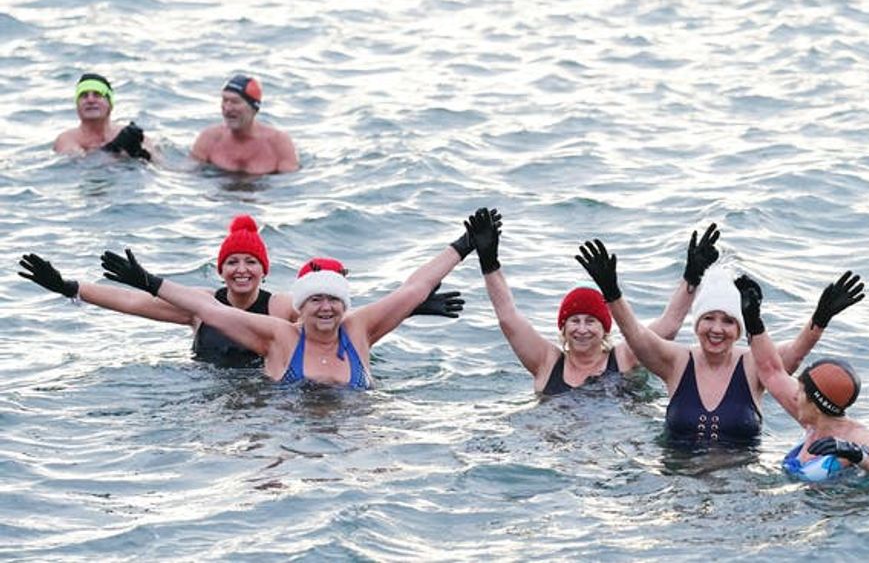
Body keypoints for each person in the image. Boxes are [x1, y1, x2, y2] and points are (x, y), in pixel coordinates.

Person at [97, 211, 493, 386]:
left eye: (334, 300)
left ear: (345, 305)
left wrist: (464, 246)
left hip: (351, 442)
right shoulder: (279, 336)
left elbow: (413, 288)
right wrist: (149, 280)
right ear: (298, 307)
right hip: (286, 431)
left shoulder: (358, 331)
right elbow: (206, 308)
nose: (325, 307)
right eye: (315, 299)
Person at [17, 215, 463, 369]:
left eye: (251, 262)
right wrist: (70, 288)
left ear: (264, 270)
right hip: (210, 384)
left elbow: (330, 325)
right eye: (233, 261)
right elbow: (134, 302)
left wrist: (408, 308)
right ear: (221, 269)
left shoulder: (284, 306)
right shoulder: (201, 306)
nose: (242, 269)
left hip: (264, 386)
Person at [575, 239, 866, 448]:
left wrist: (820, 318)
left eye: (727, 321)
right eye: (708, 319)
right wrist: (612, 293)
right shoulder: (676, 361)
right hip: (678, 488)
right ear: (697, 323)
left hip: (739, 491)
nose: (717, 329)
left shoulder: (755, 365)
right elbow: (637, 337)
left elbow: (794, 354)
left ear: (740, 328)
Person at [464, 208, 719, 395]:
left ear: (605, 329)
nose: (582, 329)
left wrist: (692, 276)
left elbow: (670, 324)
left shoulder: (625, 357)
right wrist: (489, 263)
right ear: (562, 328)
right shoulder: (547, 363)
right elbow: (509, 319)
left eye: (591, 321)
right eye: (574, 321)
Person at [736, 274, 869, 478]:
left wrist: (855, 454)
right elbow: (772, 372)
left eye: (801, 392)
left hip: (835, 506)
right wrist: (753, 322)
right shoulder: (813, 423)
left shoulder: (854, 435)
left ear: (817, 404)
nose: (795, 396)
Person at [190, 74, 299, 174]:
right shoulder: (209, 138)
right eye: (225, 100)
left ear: (253, 108)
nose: (227, 108)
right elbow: (188, 173)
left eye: (235, 102)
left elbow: (290, 186)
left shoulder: (278, 143)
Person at [54, 73, 154, 160]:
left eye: (97, 95)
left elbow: (161, 168)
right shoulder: (67, 139)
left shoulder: (131, 135)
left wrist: (140, 155)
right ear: (77, 106)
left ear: (110, 104)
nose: (90, 100)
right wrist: (115, 148)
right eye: (84, 96)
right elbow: (80, 167)